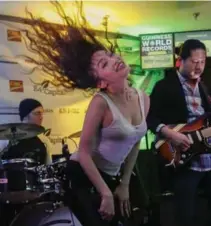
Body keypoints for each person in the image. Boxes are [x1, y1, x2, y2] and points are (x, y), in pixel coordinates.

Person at [22, 2, 150, 226]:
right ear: (101, 82)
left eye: (111, 55)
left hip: (113, 176)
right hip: (83, 177)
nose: (115, 59)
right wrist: (106, 193)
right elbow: (83, 153)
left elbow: (135, 141)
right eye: (105, 63)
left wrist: (125, 183)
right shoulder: (100, 103)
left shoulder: (143, 98)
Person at [147, 39, 211, 226]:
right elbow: (149, 119)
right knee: (185, 217)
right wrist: (171, 134)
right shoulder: (164, 86)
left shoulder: (206, 88)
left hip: (210, 158)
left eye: (203, 62)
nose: (199, 66)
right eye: (195, 62)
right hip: (182, 160)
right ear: (181, 61)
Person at [0, 98, 53, 164]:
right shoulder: (6, 138)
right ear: (25, 116)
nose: (41, 117)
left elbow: (49, 166)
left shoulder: (44, 140)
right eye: (37, 113)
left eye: (42, 113)